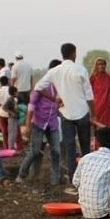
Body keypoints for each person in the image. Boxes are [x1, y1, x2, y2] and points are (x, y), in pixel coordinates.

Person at [38, 43, 98, 186]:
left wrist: (55, 99)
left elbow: (38, 88)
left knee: (70, 147)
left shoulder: (55, 71)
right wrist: (93, 114)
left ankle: (72, 180)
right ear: (74, 54)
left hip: (66, 114)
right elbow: (89, 94)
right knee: (85, 147)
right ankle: (87, 178)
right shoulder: (80, 69)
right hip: (82, 112)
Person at [16, 59, 63, 186]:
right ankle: (22, 174)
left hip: (52, 123)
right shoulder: (41, 85)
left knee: (56, 152)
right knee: (35, 151)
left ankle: (55, 180)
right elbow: (31, 106)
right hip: (39, 122)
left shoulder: (60, 86)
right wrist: (27, 127)